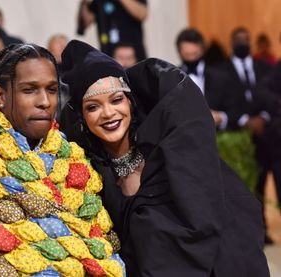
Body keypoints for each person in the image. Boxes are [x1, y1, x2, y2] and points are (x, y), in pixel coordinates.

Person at [60, 39, 269, 276]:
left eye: (116, 100)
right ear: (82, 118)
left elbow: (210, 219)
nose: (109, 113)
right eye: (93, 107)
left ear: (130, 102)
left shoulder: (170, 153)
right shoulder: (88, 176)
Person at [0, 43, 125, 277]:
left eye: (51, 90)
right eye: (29, 90)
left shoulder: (76, 163)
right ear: (0, 95)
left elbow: (102, 244)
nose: (45, 102)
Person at [218, 27, 276, 243]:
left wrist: (263, 117)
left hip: (268, 137)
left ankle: (267, 230)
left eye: (245, 39)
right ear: (231, 43)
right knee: (247, 189)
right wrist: (244, 120)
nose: (242, 43)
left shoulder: (265, 68)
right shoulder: (221, 70)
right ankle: (253, 232)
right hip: (238, 140)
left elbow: (272, 96)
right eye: (238, 40)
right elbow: (223, 102)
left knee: (269, 185)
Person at [176, 28, 240, 130]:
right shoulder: (172, 78)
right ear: (179, 53)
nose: (191, 59)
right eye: (187, 55)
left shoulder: (221, 78)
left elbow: (235, 111)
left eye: (195, 54)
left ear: (202, 50)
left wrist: (221, 117)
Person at [77, 0, 148, 60]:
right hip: (108, 55)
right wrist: (84, 2)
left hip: (131, 55)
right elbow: (85, 22)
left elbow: (142, 14)